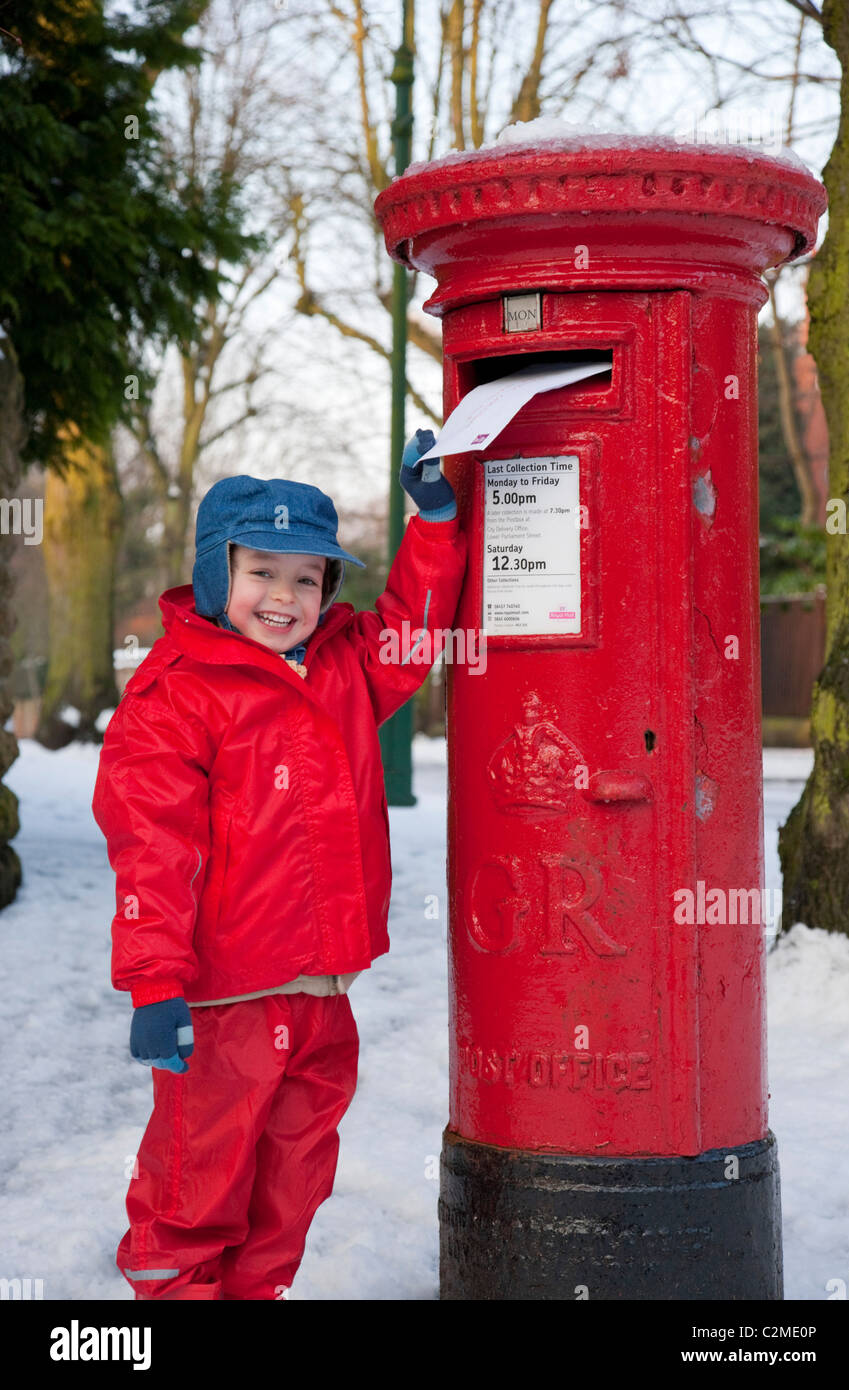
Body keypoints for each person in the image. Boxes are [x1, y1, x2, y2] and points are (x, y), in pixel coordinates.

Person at [92, 430, 467, 1300]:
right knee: (197, 1186)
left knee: (292, 1184)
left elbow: (412, 631)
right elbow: (152, 849)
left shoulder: (342, 668)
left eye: (308, 578)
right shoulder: (175, 692)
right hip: (224, 999)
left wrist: (436, 521)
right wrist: (154, 983)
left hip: (324, 990)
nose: (285, 595)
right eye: (262, 571)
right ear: (219, 574)